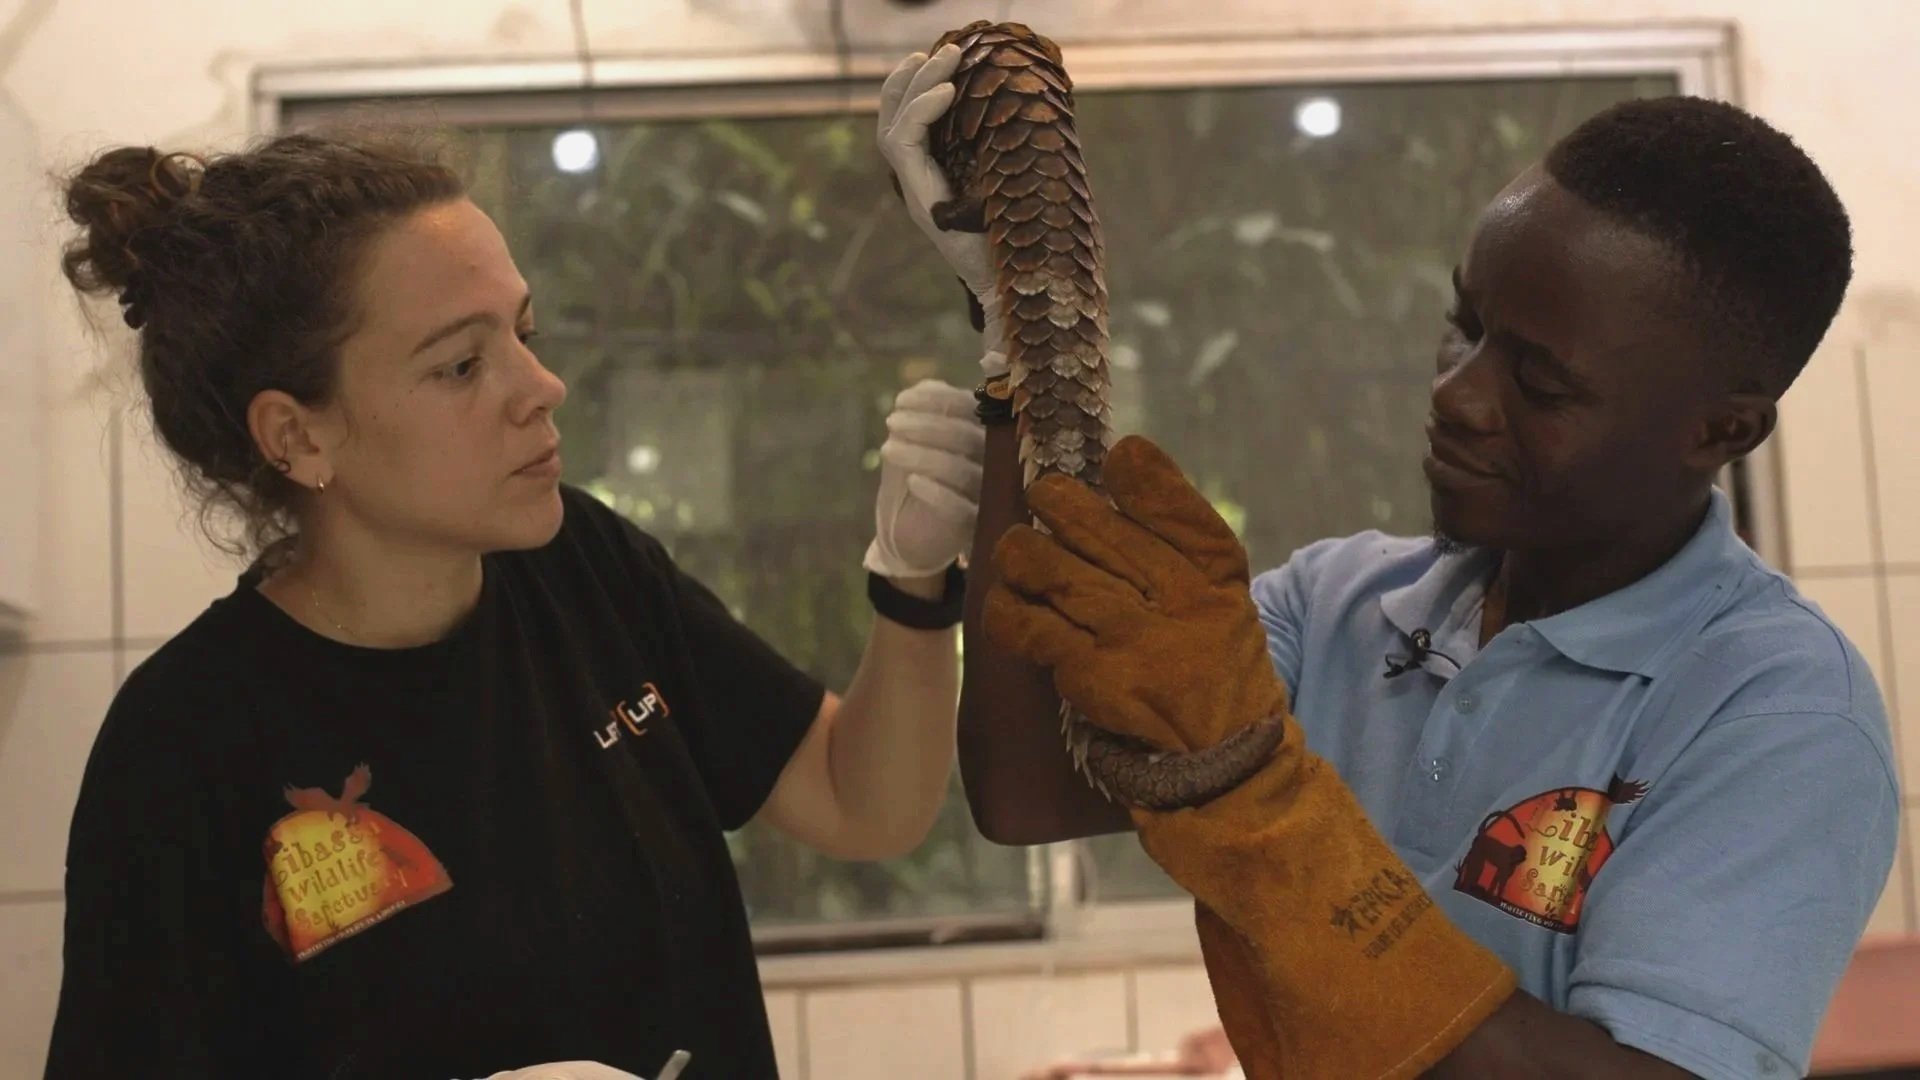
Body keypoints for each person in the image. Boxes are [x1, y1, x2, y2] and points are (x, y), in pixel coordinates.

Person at [881, 44, 1898, 1080]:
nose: (1457, 394)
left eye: (1540, 385)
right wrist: (1023, 336)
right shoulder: (1341, 606)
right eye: (1465, 325)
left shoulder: (1777, 711)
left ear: (1720, 431)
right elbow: (1027, 795)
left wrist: (1256, 800)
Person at [44, 129, 986, 1079]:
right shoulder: (184, 744)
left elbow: (861, 803)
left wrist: (912, 581)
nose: (543, 388)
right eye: (459, 365)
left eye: (523, 336)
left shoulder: (584, 567)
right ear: (298, 435)